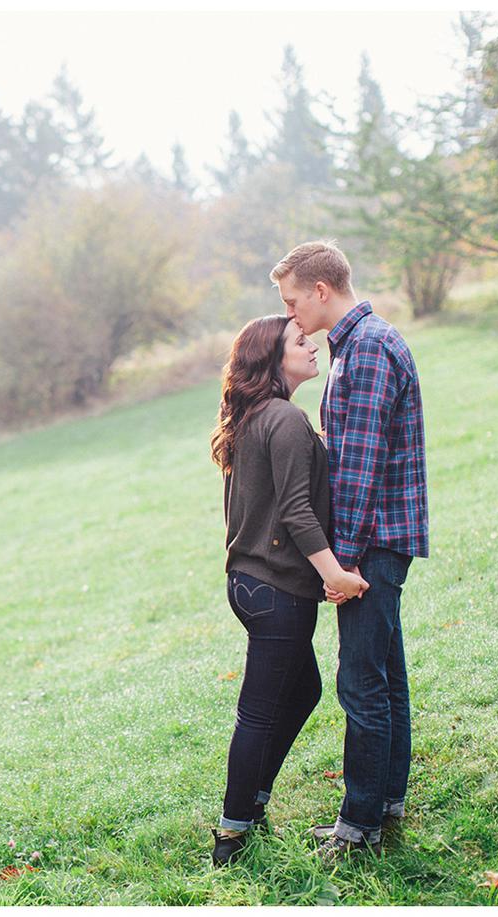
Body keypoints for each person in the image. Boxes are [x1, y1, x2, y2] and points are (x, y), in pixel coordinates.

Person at [271, 240, 429, 863]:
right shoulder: (363, 343)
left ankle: (358, 827)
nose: (290, 314)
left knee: (362, 684)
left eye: (292, 300)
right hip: (381, 537)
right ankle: (385, 804)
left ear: (321, 290)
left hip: (372, 542)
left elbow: (357, 474)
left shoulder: (366, 351)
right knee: (385, 678)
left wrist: (343, 564)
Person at [208, 314, 369, 867]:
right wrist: (335, 574)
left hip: (249, 585)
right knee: (257, 712)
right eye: (299, 342)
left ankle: (251, 804)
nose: (312, 345)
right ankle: (232, 835)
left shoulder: (253, 417)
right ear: (273, 360)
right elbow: (297, 511)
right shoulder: (284, 418)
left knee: (302, 692)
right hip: (277, 590)